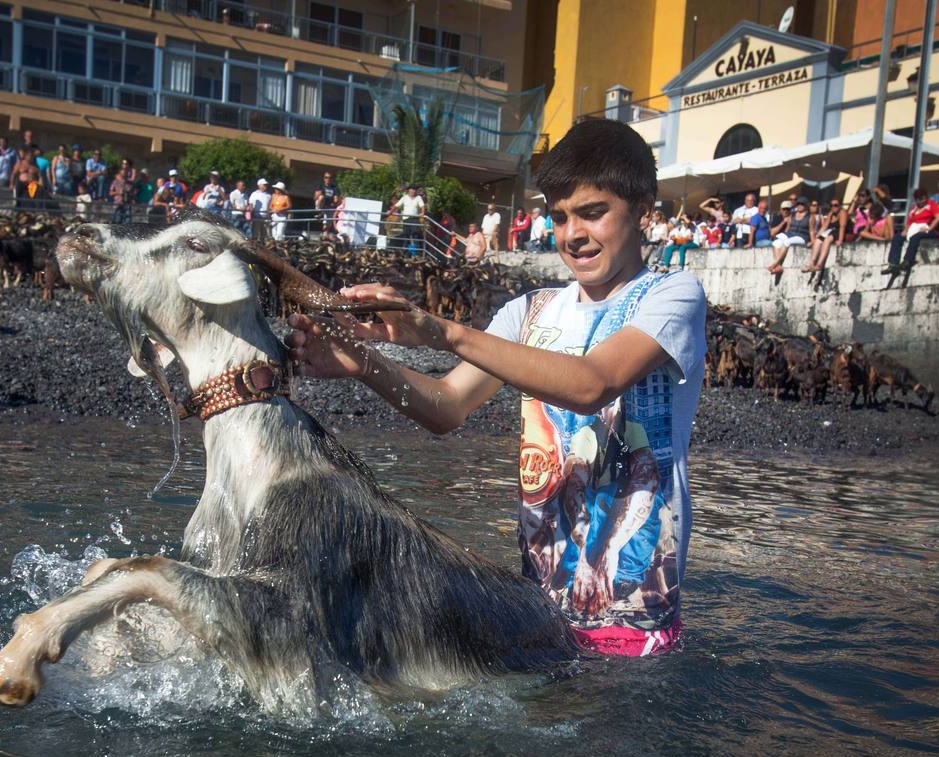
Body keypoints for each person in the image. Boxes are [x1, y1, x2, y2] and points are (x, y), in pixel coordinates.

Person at [288, 117, 707, 657]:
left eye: (593, 212)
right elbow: (447, 406)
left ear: (644, 210)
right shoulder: (529, 312)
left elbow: (592, 384)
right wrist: (363, 364)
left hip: (634, 615)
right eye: (558, 217)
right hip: (536, 609)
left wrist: (443, 332)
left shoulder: (673, 294)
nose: (573, 234)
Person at [883, 187, 939, 274]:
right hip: (914, 228)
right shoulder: (914, 209)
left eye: (922, 198)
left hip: (927, 229)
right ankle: (893, 263)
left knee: (915, 237)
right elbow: (910, 222)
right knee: (897, 237)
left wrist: (929, 228)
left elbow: (938, 217)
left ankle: (907, 260)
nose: (920, 201)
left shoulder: (931, 205)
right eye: (918, 199)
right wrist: (905, 231)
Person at [768, 199, 811, 274]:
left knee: (787, 242)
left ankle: (776, 263)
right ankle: (779, 267)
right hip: (791, 234)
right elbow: (787, 229)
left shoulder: (809, 216)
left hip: (802, 236)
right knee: (776, 243)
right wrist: (784, 234)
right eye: (798, 204)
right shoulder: (789, 216)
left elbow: (812, 231)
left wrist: (812, 241)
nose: (800, 206)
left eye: (802, 204)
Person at [803, 198, 844, 271]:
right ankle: (811, 263)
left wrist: (840, 240)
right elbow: (824, 227)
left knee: (827, 239)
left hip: (839, 231)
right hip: (831, 231)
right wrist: (815, 239)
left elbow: (842, 227)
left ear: (840, 206)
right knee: (818, 240)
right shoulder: (831, 214)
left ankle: (819, 264)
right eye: (831, 205)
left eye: (836, 205)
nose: (833, 207)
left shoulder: (842, 213)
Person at [392, 185, 427, 253]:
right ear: (408, 191)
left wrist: (422, 213)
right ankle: (404, 252)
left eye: (414, 190)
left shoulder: (418, 198)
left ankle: (415, 253)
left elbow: (422, 206)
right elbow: (396, 205)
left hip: (414, 219)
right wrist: (390, 212)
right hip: (406, 219)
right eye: (411, 189)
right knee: (406, 235)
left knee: (415, 234)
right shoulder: (404, 197)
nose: (413, 191)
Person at [314, 172, 339, 238]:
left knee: (327, 225)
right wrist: (320, 194)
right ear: (324, 178)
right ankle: (320, 212)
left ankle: (325, 237)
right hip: (321, 205)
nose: (328, 179)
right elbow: (315, 197)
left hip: (329, 206)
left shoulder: (334, 188)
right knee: (322, 197)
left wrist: (334, 201)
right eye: (326, 177)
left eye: (330, 178)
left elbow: (336, 199)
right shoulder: (320, 186)